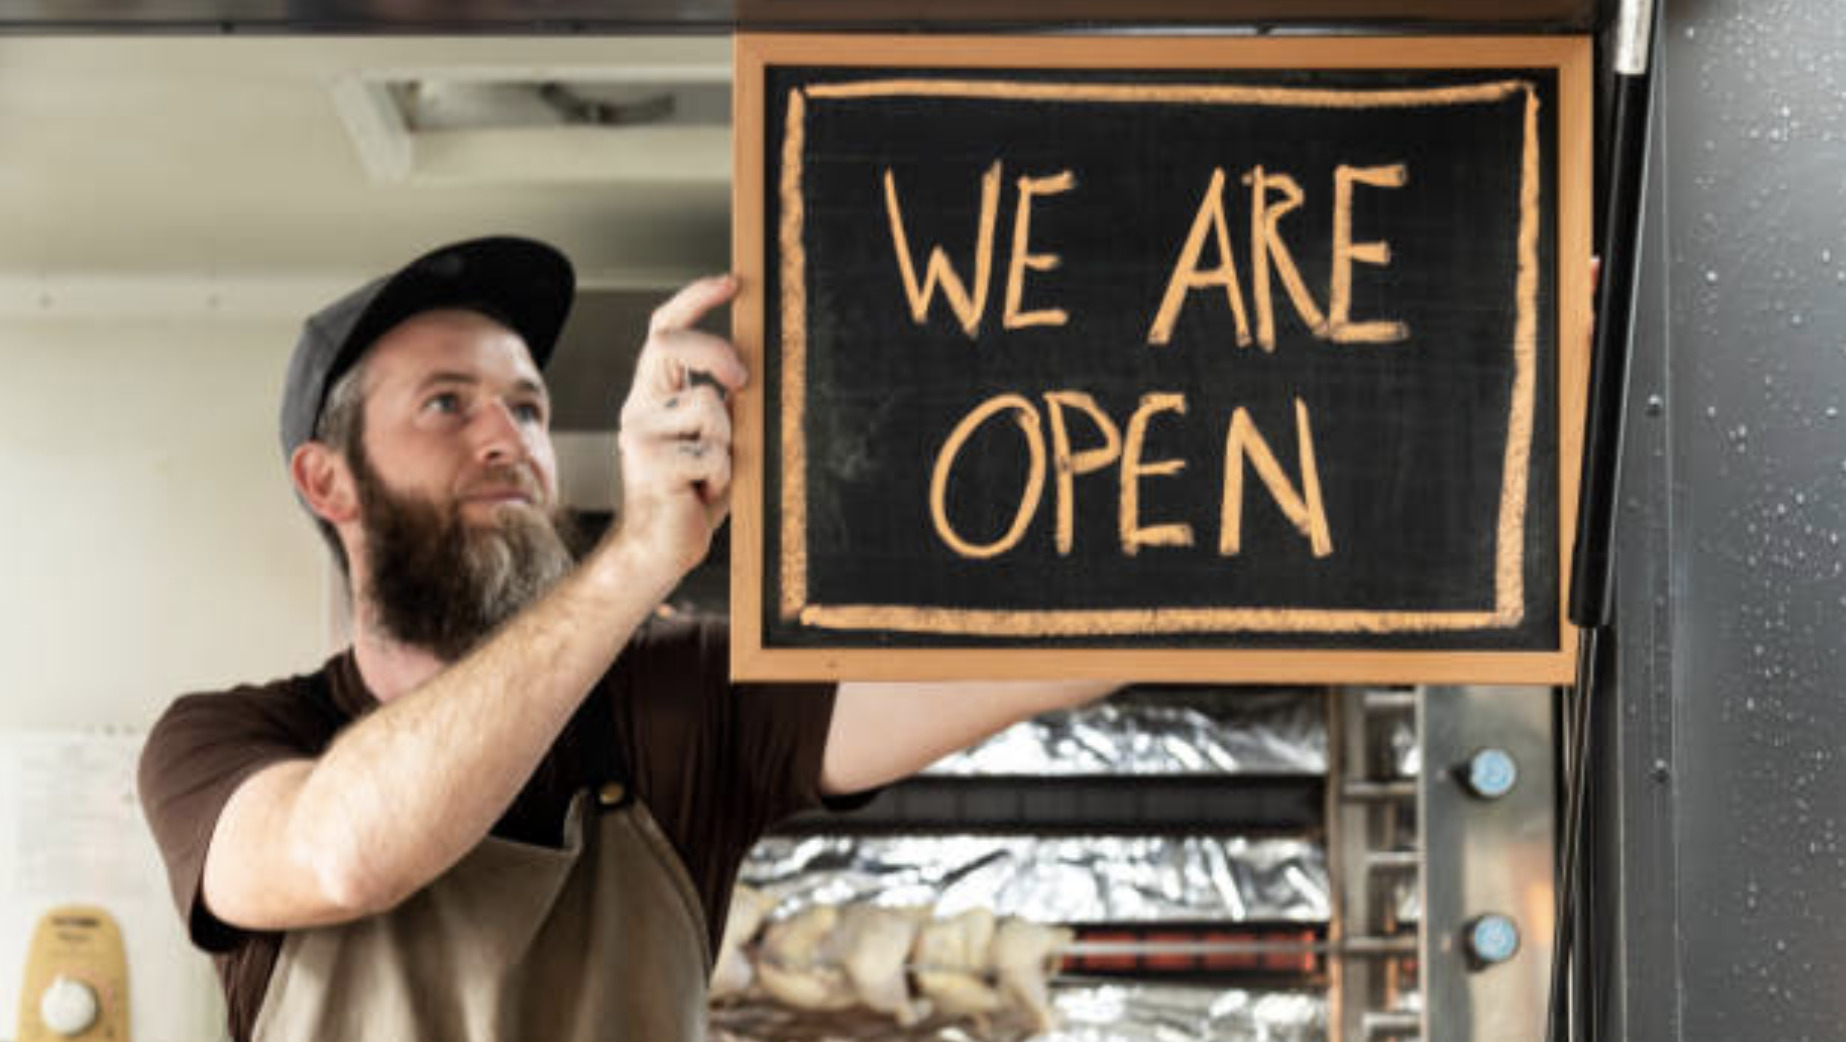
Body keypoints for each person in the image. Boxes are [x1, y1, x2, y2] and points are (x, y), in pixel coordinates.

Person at [137, 236, 1113, 1042]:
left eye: (527, 406)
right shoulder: (223, 744)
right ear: (328, 481)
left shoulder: (676, 698)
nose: (507, 438)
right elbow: (345, 855)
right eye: (447, 403)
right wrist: (638, 557)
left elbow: (1066, 653)